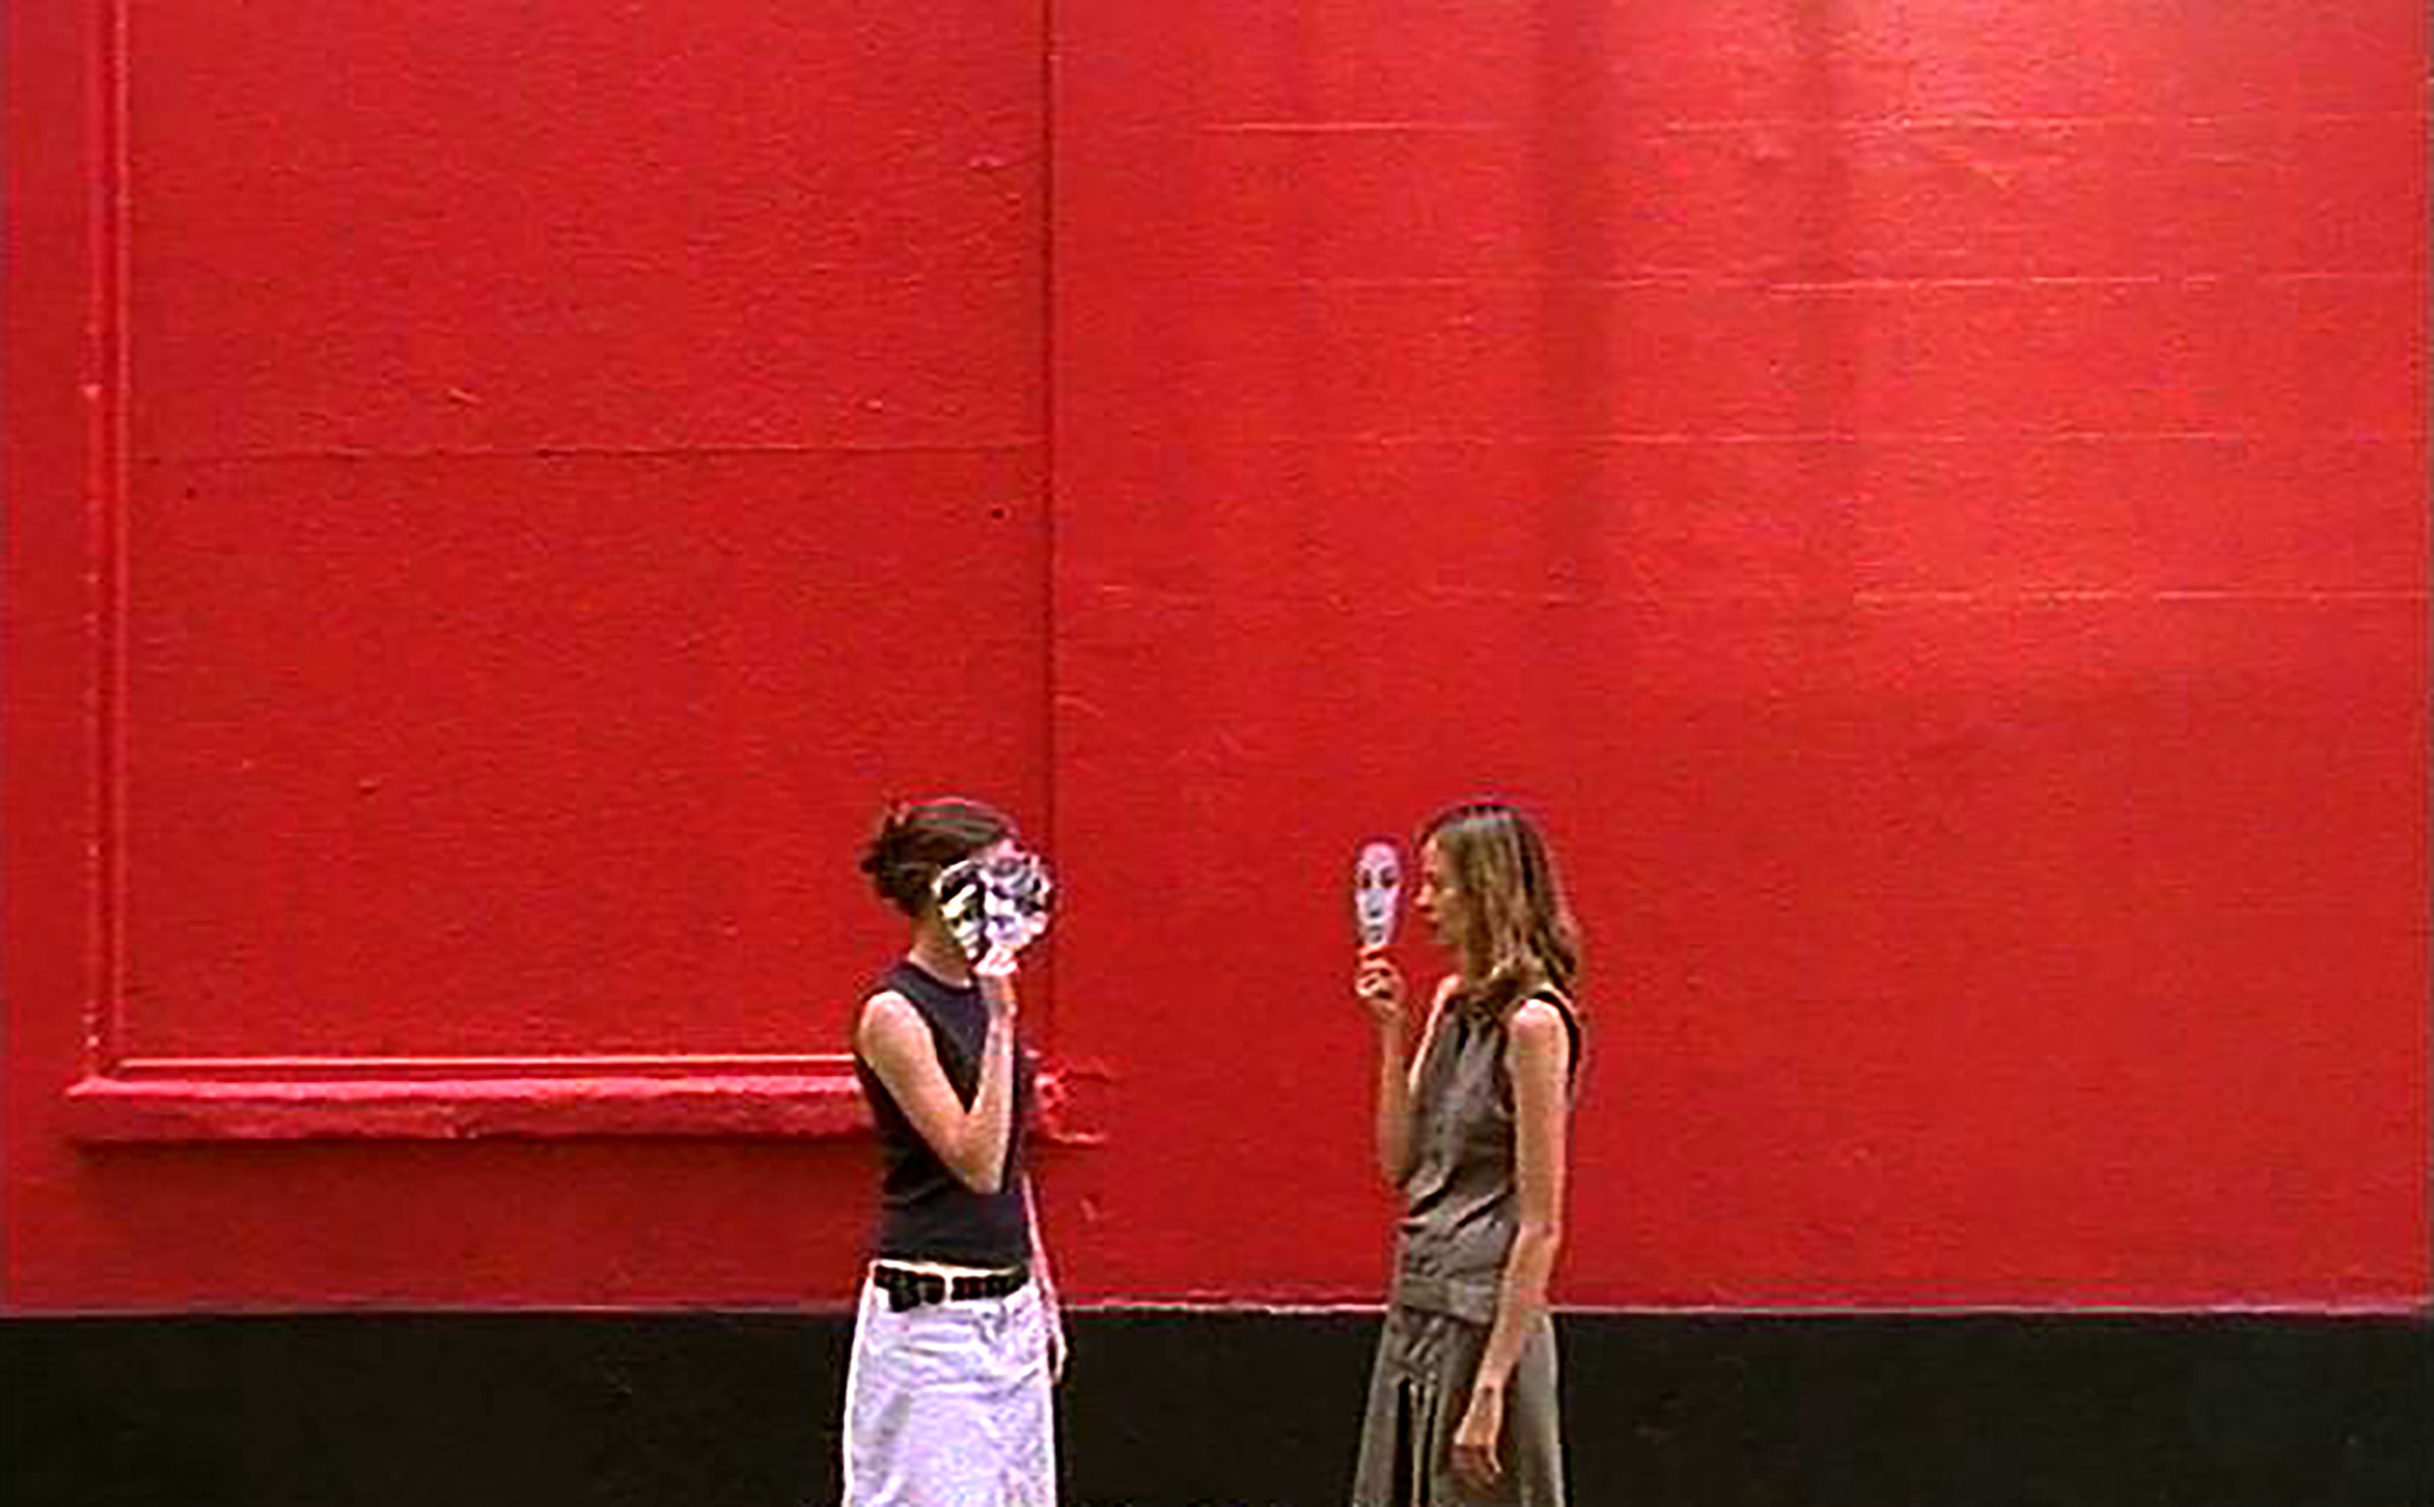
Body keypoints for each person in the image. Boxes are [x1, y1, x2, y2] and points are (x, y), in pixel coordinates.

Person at [1351, 802, 1583, 1506]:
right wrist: (1391, 1032)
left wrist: (1491, 1385)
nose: (1422, 902)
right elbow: (1400, 1162)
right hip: (1419, 1296)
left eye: (1439, 884)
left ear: (1486, 890)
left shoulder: (1536, 1025)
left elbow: (1541, 1220)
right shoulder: (1453, 1002)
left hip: (1485, 1315)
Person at [843, 798, 1063, 1507]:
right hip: (933, 1320)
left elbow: (1011, 1163)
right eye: (997, 876)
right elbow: (972, 1158)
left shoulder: (981, 993)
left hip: (1008, 1308)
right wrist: (1001, 1023)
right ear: (947, 890)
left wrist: (1042, 1287)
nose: (1013, 895)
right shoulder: (895, 1013)